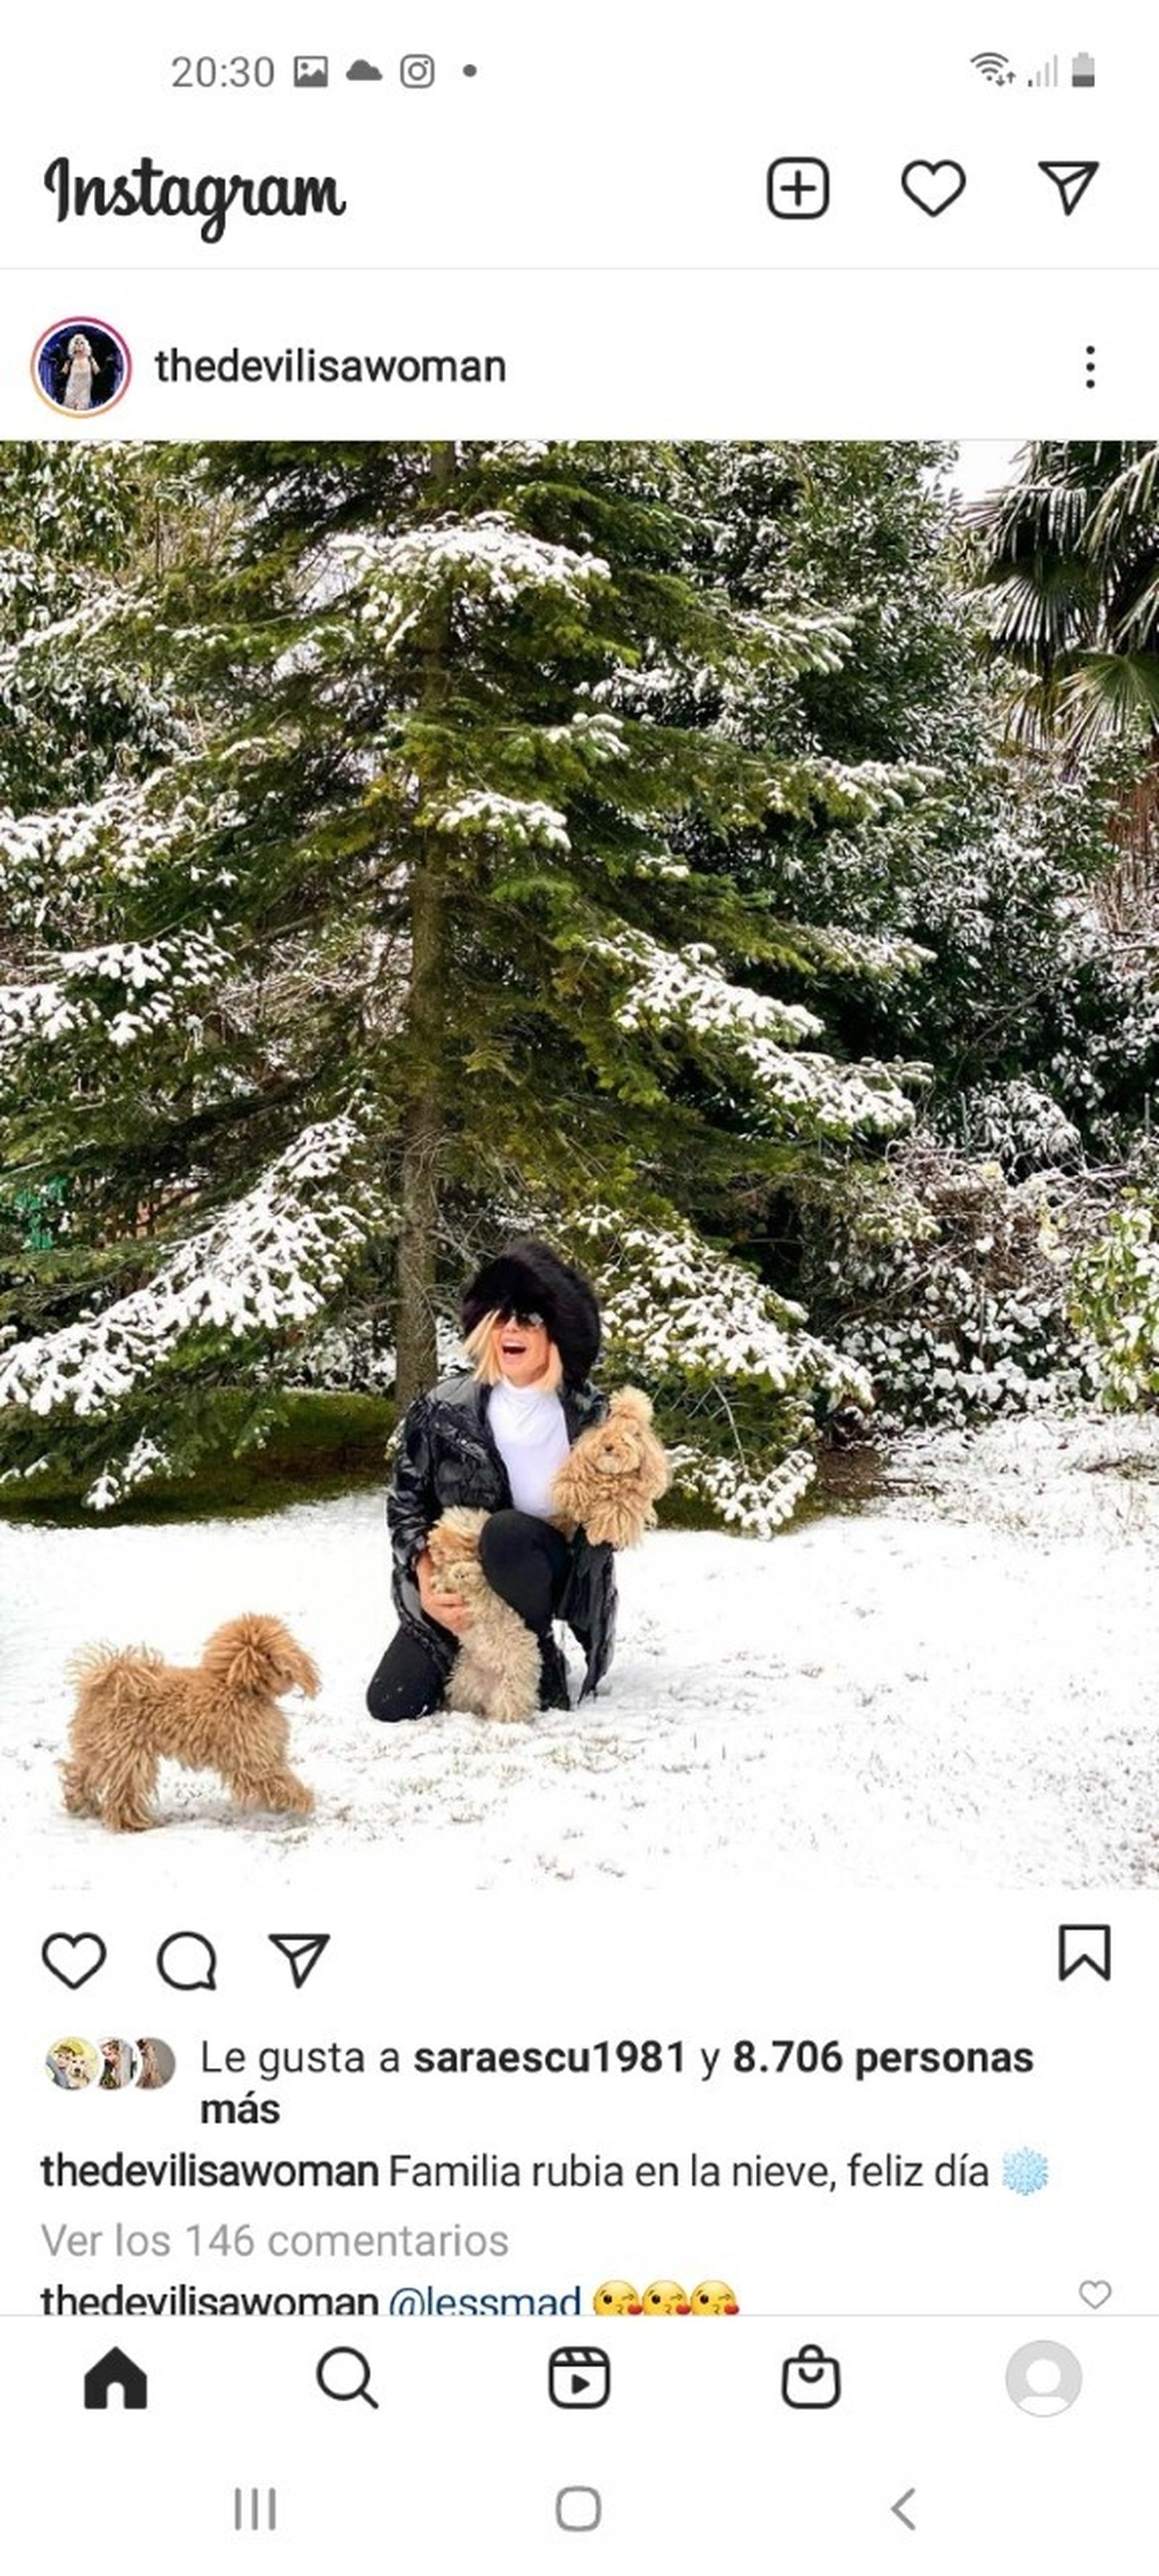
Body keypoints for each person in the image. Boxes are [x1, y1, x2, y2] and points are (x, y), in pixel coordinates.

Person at [367, 1240, 616, 1723]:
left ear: (556, 1333)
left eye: (529, 1319)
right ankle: (474, 1655)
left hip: (543, 1569)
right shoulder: (443, 1407)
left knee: (505, 1533)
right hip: (460, 1572)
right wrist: (424, 1577)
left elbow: (620, 1502)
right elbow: (405, 1502)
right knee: (392, 1703)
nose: (512, 1330)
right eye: (502, 1318)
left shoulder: (590, 1413)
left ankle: (536, 1647)